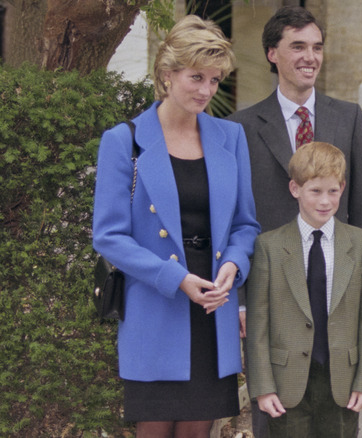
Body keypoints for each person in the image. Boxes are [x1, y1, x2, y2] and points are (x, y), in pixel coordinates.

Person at [92, 15, 260, 438]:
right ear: (167, 75)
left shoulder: (230, 137)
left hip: (212, 307)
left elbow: (245, 224)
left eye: (216, 80)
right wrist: (176, 277)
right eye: (196, 77)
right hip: (157, 304)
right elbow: (108, 235)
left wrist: (234, 267)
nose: (207, 90)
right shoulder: (124, 140)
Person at [227, 7, 362, 435]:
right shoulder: (240, 127)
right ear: (272, 53)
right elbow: (236, 217)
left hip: (336, 293)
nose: (309, 56)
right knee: (276, 417)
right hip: (271, 298)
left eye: (316, 47)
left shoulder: (348, 118)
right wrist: (240, 299)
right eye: (298, 47)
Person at [244, 141, 362, 437]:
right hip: (286, 384)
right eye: (315, 191)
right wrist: (263, 387)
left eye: (333, 191)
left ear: (343, 188)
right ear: (295, 189)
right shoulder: (269, 246)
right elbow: (258, 324)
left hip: (342, 381)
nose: (325, 201)